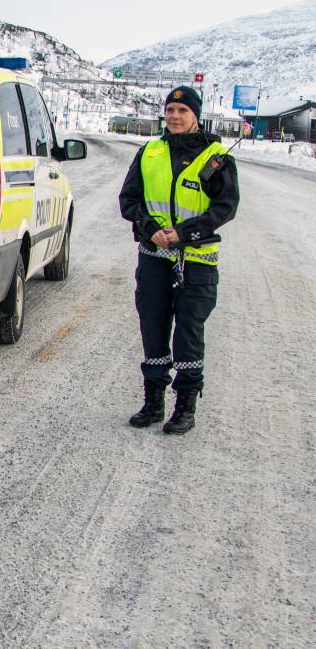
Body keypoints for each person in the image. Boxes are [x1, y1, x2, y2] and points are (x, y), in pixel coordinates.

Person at [118, 85, 239, 435]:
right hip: (154, 256)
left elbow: (225, 207)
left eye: (182, 111)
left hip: (195, 260)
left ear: (195, 116)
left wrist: (185, 233)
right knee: (153, 326)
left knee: (188, 331)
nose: (174, 116)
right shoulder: (150, 152)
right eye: (170, 110)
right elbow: (129, 200)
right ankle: (153, 403)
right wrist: (150, 228)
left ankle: (185, 406)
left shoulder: (216, 157)